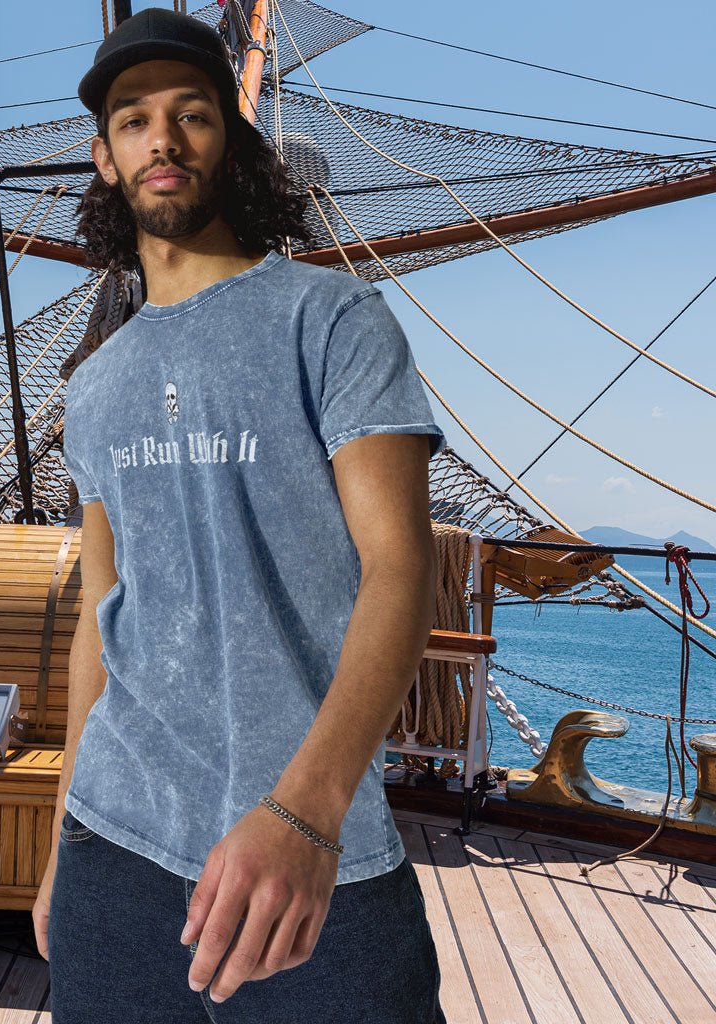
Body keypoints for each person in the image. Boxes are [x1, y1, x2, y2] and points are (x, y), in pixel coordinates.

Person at [34, 8, 448, 1022]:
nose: (162, 139)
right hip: (114, 852)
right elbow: (101, 623)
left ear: (231, 139)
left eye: (192, 115)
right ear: (104, 157)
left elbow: (399, 568)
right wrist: (57, 850)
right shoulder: (93, 383)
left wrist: (306, 814)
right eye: (134, 120)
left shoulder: (332, 320)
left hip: (311, 850)